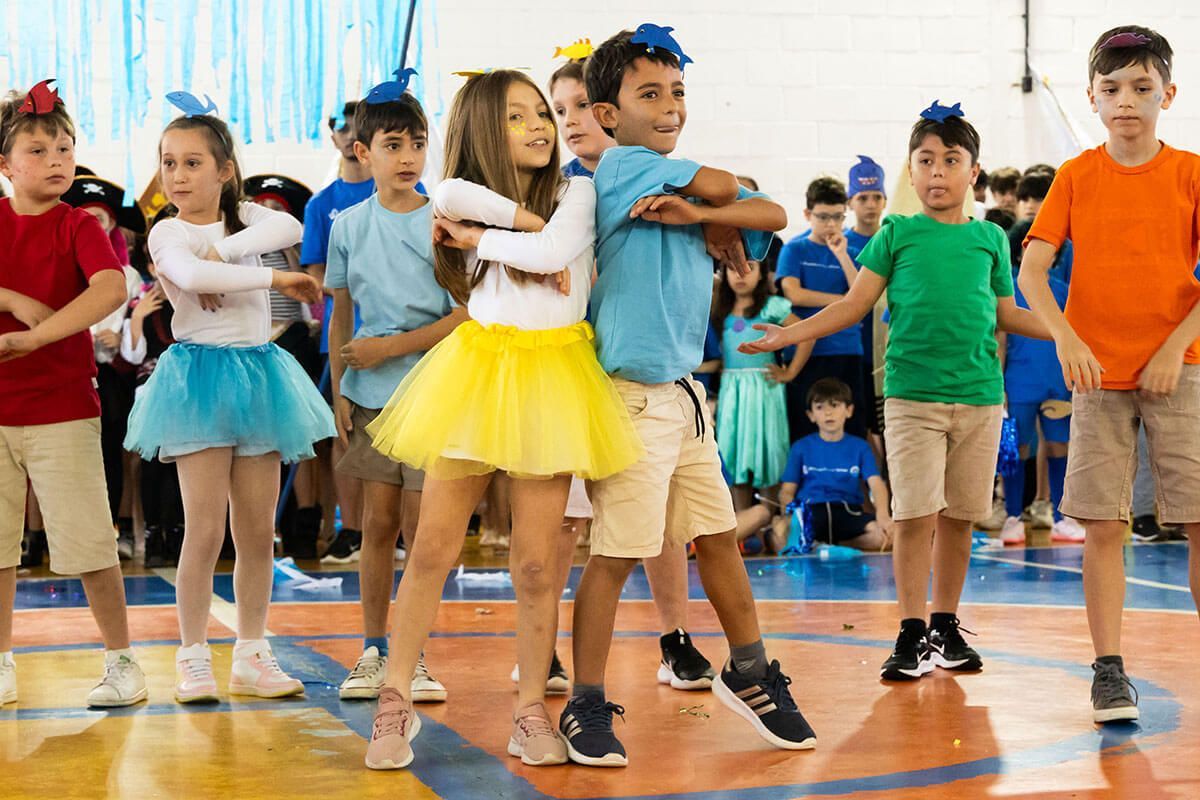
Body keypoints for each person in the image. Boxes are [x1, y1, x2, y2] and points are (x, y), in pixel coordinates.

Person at [361, 69, 643, 771]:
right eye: (519, 117)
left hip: (553, 376)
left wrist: (481, 238)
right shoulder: (455, 193)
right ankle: (394, 695)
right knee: (431, 548)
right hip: (479, 372)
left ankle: (529, 710)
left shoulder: (579, 189)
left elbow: (552, 251)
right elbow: (451, 195)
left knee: (539, 562)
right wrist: (497, 225)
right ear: (487, 129)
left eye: (541, 112)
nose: (542, 125)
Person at [563, 28, 816, 768]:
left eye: (677, 93)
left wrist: (706, 219)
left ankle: (751, 666)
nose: (670, 106)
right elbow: (738, 190)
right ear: (609, 114)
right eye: (650, 94)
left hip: (684, 395)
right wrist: (713, 202)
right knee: (615, 554)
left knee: (717, 539)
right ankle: (584, 701)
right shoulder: (619, 170)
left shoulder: (673, 186)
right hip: (630, 397)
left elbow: (771, 215)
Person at [740, 99, 1049, 683]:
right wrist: (790, 332)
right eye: (925, 160)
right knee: (913, 515)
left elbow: (1008, 313)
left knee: (960, 516)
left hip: (981, 398)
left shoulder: (989, 239)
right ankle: (910, 631)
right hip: (912, 398)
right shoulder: (896, 234)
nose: (937, 172)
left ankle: (946, 625)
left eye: (950, 160)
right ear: (910, 172)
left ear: (972, 173)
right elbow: (854, 305)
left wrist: (1072, 331)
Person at [1019, 25, 1200, 723]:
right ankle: (1109, 671)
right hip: (1097, 377)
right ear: (1093, 98)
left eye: (1142, 87)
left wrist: (1171, 347)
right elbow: (1032, 270)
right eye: (1112, 88)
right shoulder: (1076, 176)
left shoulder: (1189, 173)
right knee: (1101, 525)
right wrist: (1066, 337)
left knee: (1197, 520)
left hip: (1178, 370)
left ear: (1168, 94)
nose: (1127, 100)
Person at [124, 102, 334, 704]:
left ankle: (251, 650)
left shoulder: (243, 218)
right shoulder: (167, 231)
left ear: (224, 169)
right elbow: (190, 278)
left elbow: (288, 229)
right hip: (198, 381)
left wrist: (225, 251)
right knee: (204, 529)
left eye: (193, 162)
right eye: (169, 163)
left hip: (259, 376)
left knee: (256, 529)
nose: (178, 175)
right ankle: (192, 655)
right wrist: (272, 279)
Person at [547, 46, 718, 692]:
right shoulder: (562, 188)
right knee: (566, 518)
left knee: (663, 514)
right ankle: (548, 641)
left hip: (644, 381)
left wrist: (715, 226)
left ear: (607, 112)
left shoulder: (660, 177)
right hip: (574, 372)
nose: (569, 122)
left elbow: (735, 213)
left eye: (576, 108)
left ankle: (675, 635)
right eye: (556, 110)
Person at [0, 81, 147, 708]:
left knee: (89, 542)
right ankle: (2, 662)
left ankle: (123, 662)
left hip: (63, 407)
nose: (56, 159)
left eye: (65, 147)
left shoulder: (80, 224)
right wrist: (10, 300)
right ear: (5, 165)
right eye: (38, 150)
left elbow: (110, 289)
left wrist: (39, 337)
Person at [324, 85, 463, 705]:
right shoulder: (348, 226)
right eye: (392, 145)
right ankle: (374, 649)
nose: (408, 156)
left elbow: (464, 317)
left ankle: (415, 653)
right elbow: (341, 313)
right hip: (371, 398)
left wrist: (390, 349)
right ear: (364, 152)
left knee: (418, 528)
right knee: (376, 524)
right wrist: (339, 389)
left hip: (433, 395)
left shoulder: (445, 224)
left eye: (417, 143)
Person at [302, 102, 376, 562]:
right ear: (332, 136)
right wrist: (359, 280)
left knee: (402, 431)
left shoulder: (405, 189)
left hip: (401, 332)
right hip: (345, 333)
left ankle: (400, 528)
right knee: (345, 430)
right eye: (342, 127)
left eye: (358, 127)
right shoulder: (320, 204)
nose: (350, 135)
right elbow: (316, 276)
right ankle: (351, 529)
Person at [776, 177, 868, 439]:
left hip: (847, 348)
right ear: (808, 214)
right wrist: (842, 301)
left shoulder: (851, 249)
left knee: (852, 425)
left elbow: (861, 295)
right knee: (806, 424)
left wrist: (841, 255)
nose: (831, 224)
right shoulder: (795, 249)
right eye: (824, 216)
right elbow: (794, 294)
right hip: (808, 350)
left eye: (838, 217)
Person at [711, 259, 803, 506]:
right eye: (732, 267)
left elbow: (806, 335)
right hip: (732, 389)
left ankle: (769, 517)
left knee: (768, 448)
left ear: (763, 273)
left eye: (749, 266)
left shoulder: (772, 306)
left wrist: (790, 372)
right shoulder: (720, 307)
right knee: (733, 451)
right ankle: (741, 523)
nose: (741, 273)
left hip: (764, 386)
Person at [779, 378, 893, 551]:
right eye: (820, 407)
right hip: (811, 512)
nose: (828, 413)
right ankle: (817, 544)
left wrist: (883, 516)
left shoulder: (860, 447)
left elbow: (876, 484)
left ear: (849, 410)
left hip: (848, 511)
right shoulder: (800, 447)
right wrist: (789, 515)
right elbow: (787, 491)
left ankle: (833, 546)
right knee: (779, 537)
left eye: (834, 405)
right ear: (811, 415)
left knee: (885, 538)